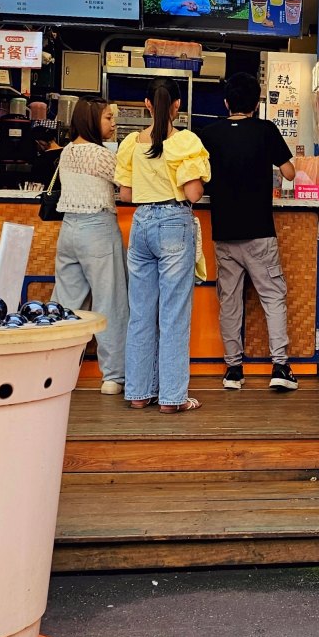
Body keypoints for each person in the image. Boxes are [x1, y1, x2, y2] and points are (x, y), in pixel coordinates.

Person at [198, 72, 298, 392]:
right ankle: (280, 367)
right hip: (259, 232)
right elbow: (290, 173)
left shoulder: (208, 134)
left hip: (224, 233)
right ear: (256, 104)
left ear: (227, 103)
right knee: (273, 296)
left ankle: (233, 372)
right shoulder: (266, 130)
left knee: (230, 301)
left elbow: (199, 180)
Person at [115, 80, 212, 413]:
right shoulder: (184, 141)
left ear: (147, 104)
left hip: (141, 223)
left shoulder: (131, 142)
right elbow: (194, 193)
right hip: (173, 222)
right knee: (173, 315)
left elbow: (125, 194)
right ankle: (172, 398)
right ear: (177, 107)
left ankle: (139, 393)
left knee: (140, 315)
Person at [52, 100, 129, 394]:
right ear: (91, 120)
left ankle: (55, 370)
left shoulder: (67, 152)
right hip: (97, 228)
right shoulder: (100, 155)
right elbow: (128, 185)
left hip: (68, 231)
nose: (113, 123)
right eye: (108, 118)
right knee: (110, 302)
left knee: (66, 304)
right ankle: (113, 375)